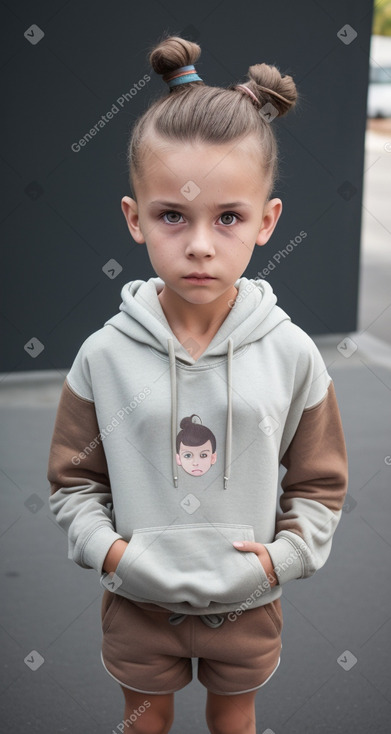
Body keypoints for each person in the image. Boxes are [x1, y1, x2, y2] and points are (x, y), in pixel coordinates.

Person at [47, 33, 348, 734]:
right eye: (173, 215)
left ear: (266, 222)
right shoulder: (102, 355)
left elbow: (318, 485)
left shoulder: (294, 354)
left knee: (233, 725)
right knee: (144, 726)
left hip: (246, 603)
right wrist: (114, 553)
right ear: (135, 219)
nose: (201, 244)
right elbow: (73, 482)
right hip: (136, 602)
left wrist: (280, 562)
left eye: (229, 217)